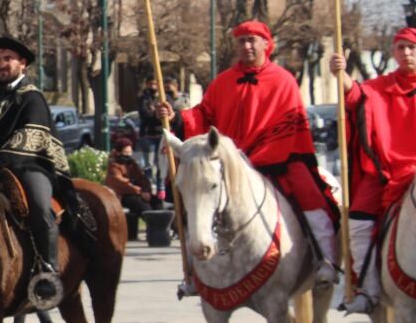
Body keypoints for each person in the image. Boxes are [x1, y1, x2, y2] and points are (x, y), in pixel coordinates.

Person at [157, 20, 339, 288]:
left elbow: (292, 124)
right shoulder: (222, 82)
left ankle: (327, 260)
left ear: (267, 44)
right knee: (194, 198)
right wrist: (177, 118)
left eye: (252, 40)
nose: (247, 46)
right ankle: (193, 271)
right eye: (242, 41)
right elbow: (203, 115)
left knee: (312, 196)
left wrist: (268, 152)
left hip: (278, 158)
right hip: (230, 163)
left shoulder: (284, 81)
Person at [0, 36, 93, 309]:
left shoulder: (32, 98)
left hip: (28, 166)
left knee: (38, 204)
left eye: (7, 59)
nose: (1, 65)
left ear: (22, 64)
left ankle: (48, 270)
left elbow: (29, 136)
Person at [329, 27, 416, 314]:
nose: (406, 53)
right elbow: (355, 97)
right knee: (357, 222)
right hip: (385, 171)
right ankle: (368, 289)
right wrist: (340, 74)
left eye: (411, 48)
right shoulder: (379, 86)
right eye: (400, 48)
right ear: (393, 53)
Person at [106, 135, 157, 230]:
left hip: (136, 192)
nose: (129, 155)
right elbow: (122, 184)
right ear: (118, 152)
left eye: (130, 152)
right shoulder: (113, 165)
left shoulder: (132, 163)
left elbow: (141, 178)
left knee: (156, 201)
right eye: (126, 152)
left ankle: (165, 226)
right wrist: (141, 192)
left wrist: (146, 189)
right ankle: (154, 227)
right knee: (140, 204)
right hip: (122, 195)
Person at [136, 76, 162, 177]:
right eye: (151, 84)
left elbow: (165, 116)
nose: (153, 86)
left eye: (155, 84)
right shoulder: (143, 99)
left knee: (161, 164)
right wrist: (156, 113)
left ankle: (161, 189)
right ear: (147, 84)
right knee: (148, 165)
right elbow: (144, 115)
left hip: (160, 135)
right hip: (148, 136)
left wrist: (154, 112)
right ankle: (148, 187)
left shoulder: (163, 97)